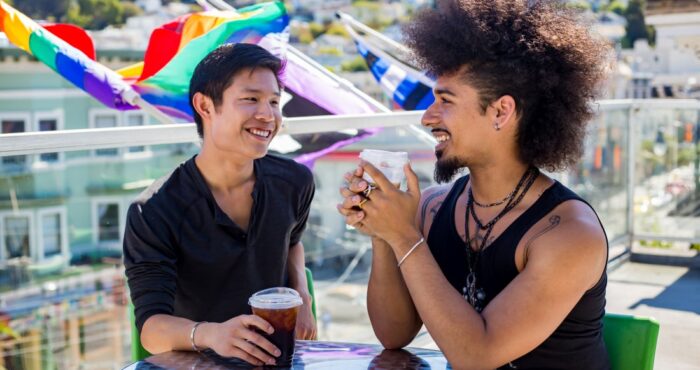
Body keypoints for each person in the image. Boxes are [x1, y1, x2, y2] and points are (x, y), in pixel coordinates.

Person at [338, 1, 612, 369]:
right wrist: (383, 230)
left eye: (445, 101)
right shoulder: (435, 208)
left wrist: (405, 236)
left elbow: (477, 356)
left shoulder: (569, 234)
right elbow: (393, 334)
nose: (427, 117)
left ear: (501, 112)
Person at [124, 43, 317, 367]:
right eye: (250, 99)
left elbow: (292, 241)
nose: (268, 115)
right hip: (199, 361)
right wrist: (212, 334)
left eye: (274, 102)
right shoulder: (154, 211)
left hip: (278, 359)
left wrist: (303, 296)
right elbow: (151, 329)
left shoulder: (295, 181)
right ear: (205, 106)